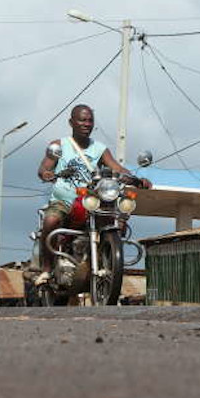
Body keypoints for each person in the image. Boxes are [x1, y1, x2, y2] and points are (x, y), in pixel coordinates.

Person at [35, 104, 150, 285]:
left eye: (90, 120)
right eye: (82, 119)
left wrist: (135, 179)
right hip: (64, 201)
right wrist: (47, 173)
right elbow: (45, 167)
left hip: (92, 200)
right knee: (50, 221)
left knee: (118, 217)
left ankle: (110, 259)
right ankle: (47, 270)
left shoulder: (100, 149)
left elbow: (117, 167)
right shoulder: (59, 145)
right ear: (71, 122)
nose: (86, 123)